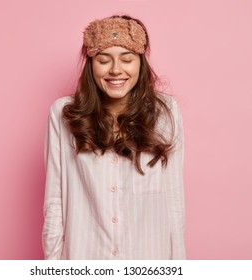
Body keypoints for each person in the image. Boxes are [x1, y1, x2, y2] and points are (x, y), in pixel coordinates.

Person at [43, 15, 185, 260]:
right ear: (91, 64)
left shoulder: (166, 113)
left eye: (127, 59)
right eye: (103, 60)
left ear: (140, 63)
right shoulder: (63, 114)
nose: (116, 70)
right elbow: (55, 202)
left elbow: (174, 200)